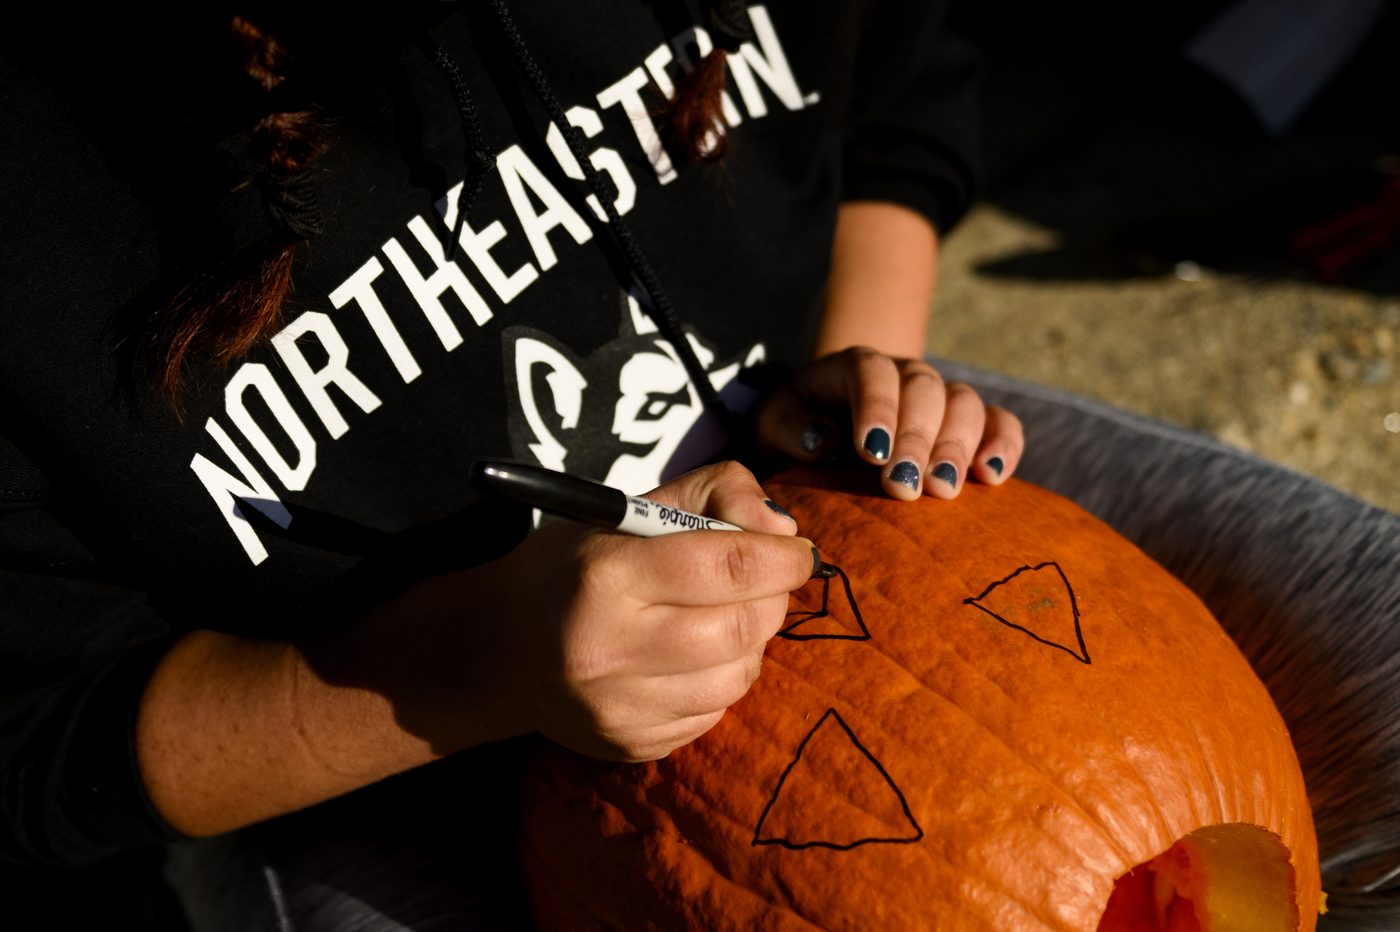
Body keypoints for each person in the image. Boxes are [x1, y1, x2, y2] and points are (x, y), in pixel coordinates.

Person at [0, 0, 1020, 924]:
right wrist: (481, 661)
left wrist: (863, 385)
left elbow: (896, 80)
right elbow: (34, 741)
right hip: (376, 760)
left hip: (835, 493)